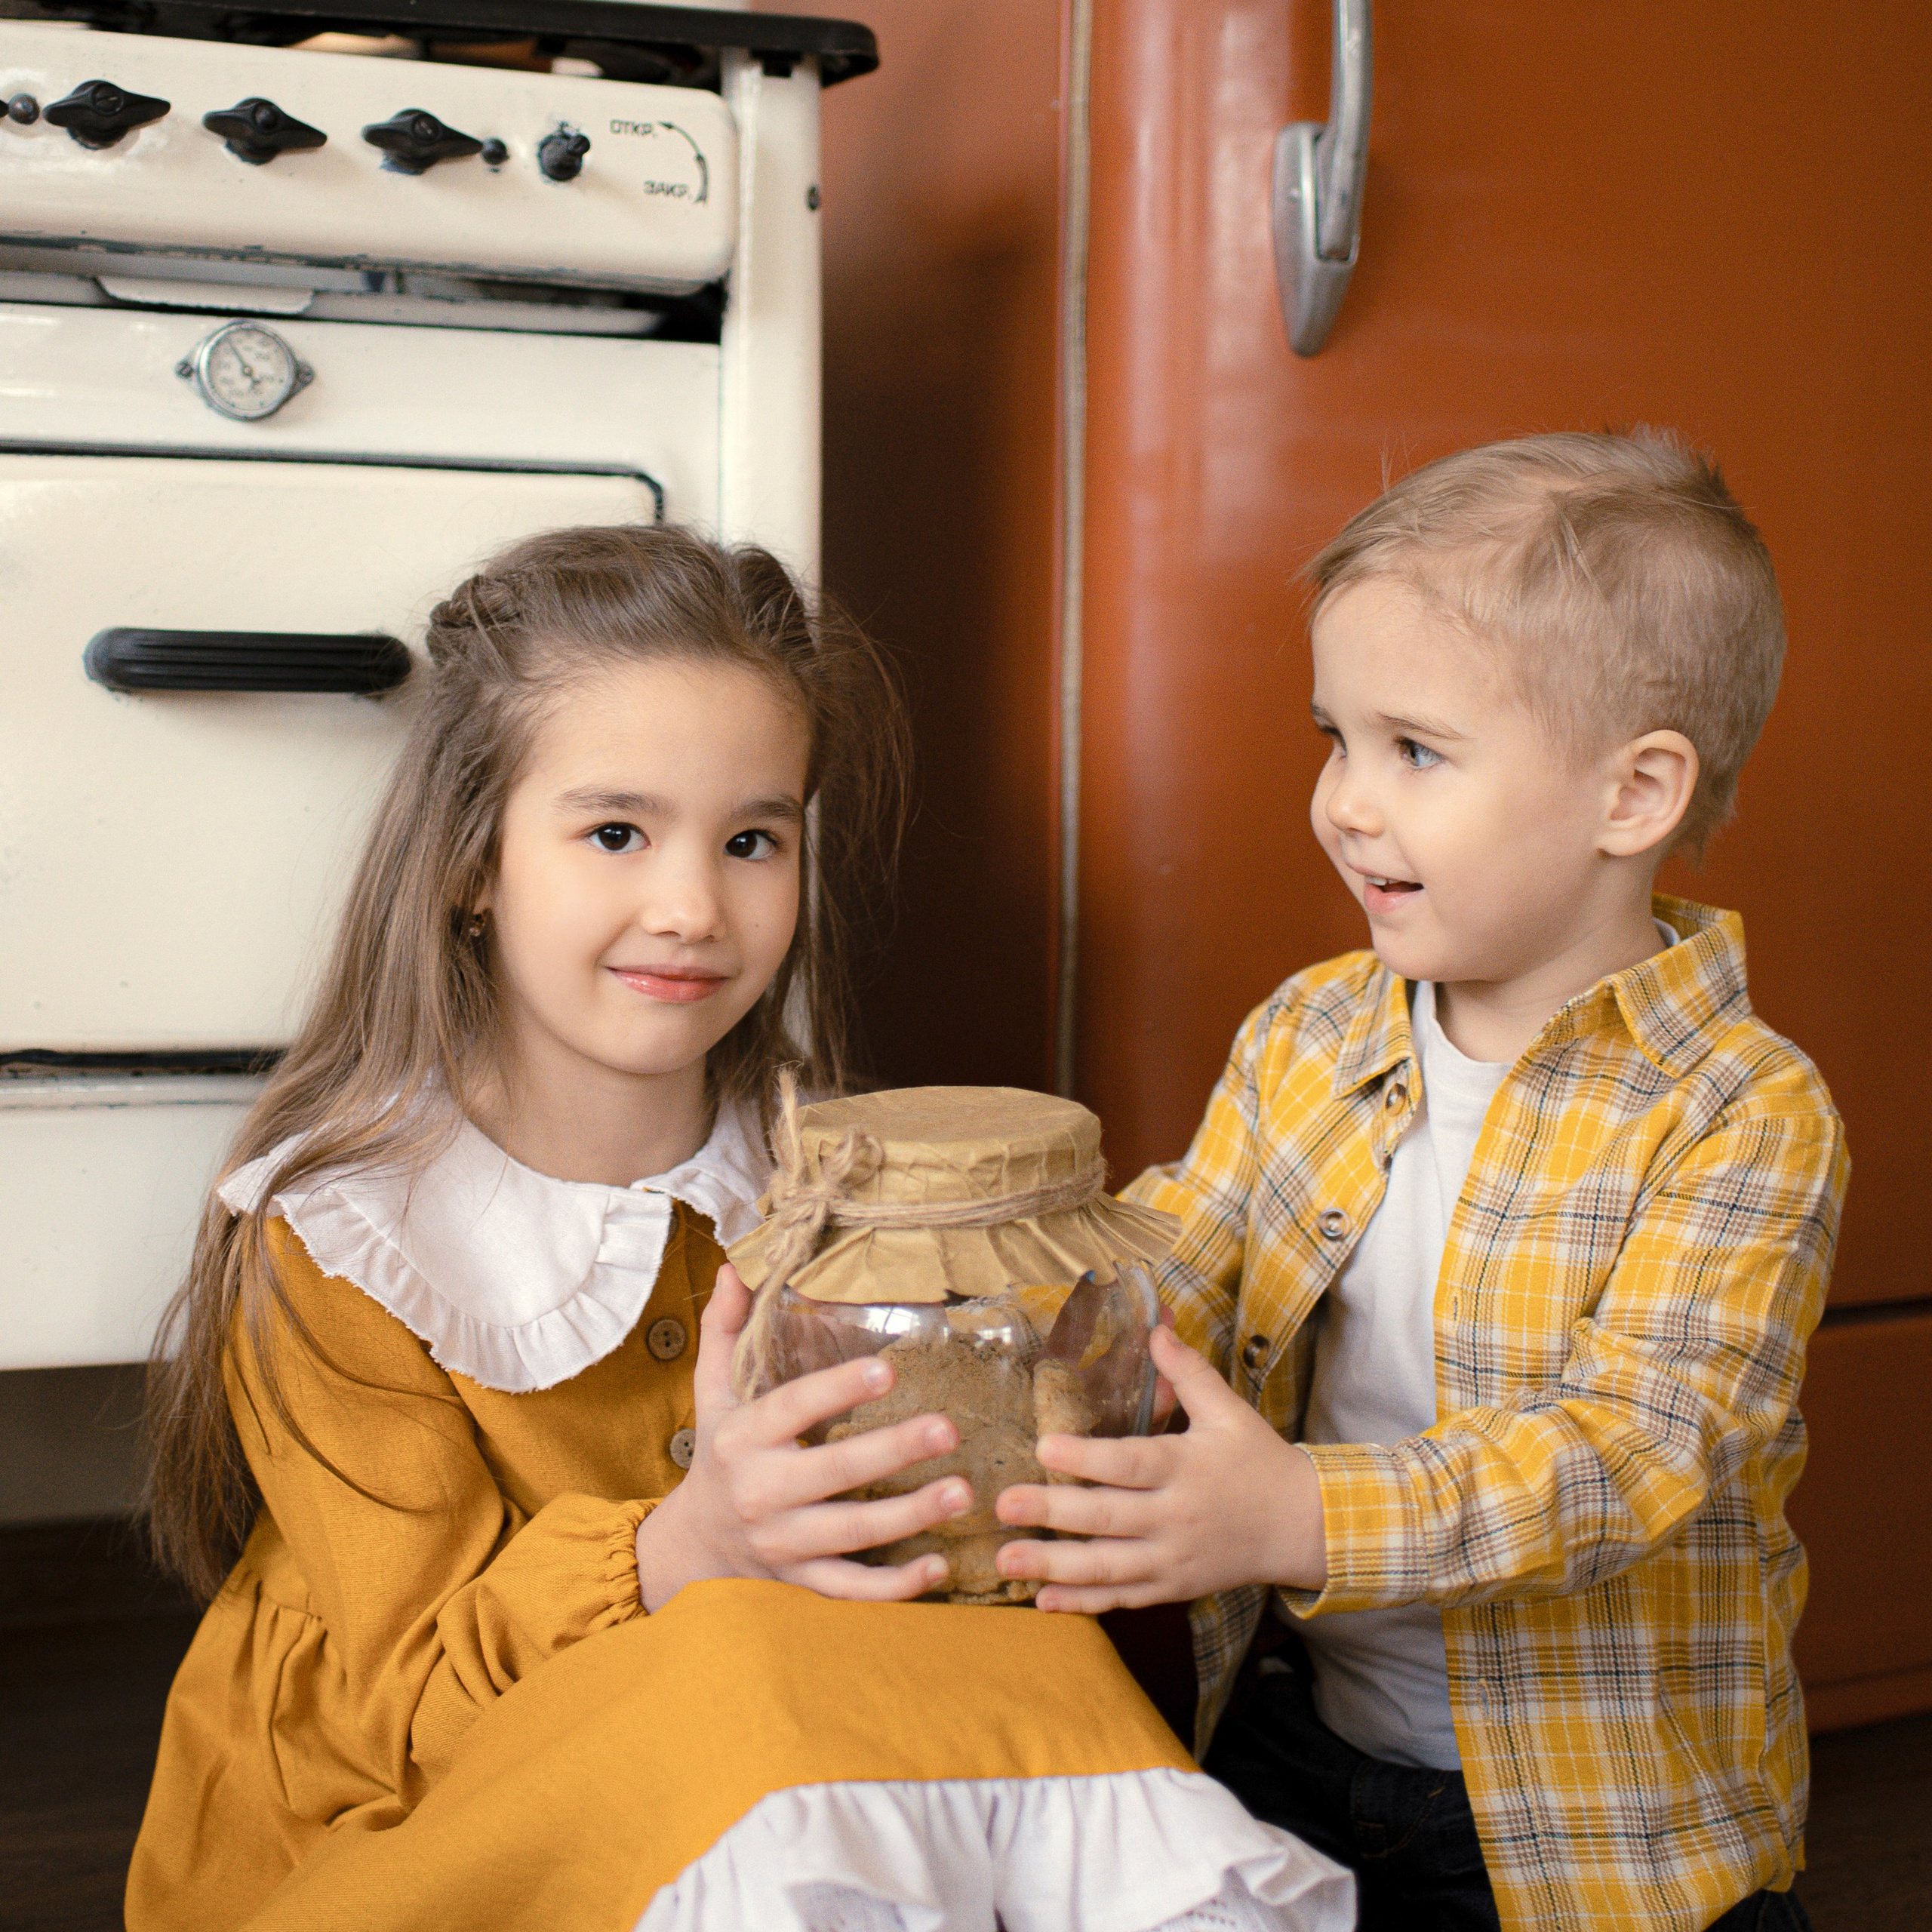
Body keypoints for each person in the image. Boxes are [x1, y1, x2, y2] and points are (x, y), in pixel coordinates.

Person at [127, 524, 1350, 1932]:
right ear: (472, 859)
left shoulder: (824, 1179)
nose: (694, 907)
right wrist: (686, 1548)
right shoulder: (346, 1232)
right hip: (415, 1802)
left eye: (753, 838)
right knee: (734, 1680)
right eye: (615, 833)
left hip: (775, 1726)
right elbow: (406, 1696)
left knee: (1031, 1682)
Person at [993, 432, 1847, 1932]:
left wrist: (1291, 1514)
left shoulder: (1742, 1112)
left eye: (1413, 749)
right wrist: (999, 1301)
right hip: (1293, 1735)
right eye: (1332, 736)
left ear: (1631, 793)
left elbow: (1626, 1451)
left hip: (1593, 1830)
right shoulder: (1314, 1027)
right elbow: (1185, 1250)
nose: (1342, 801)